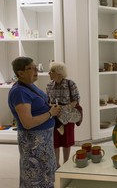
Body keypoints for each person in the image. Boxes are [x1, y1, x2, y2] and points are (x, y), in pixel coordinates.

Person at [8, 56, 61, 188]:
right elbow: (27, 123)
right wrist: (50, 113)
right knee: (35, 175)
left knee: (46, 173)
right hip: (34, 142)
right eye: (31, 68)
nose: (36, 70)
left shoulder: (29, 86)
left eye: (36, 67)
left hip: (43, 140)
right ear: (20, 73)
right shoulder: (19, 92)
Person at [46, 61, 81, 168]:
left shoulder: (70, 84)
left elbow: (76, 100)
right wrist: (52, 108)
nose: (49, 73)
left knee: (67, 140)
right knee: (55, 141)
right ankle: (56, 164)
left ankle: (66, 163)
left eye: (51, 71)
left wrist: (64, 109)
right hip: (54, 116)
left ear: (59, 73)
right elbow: (47, 100)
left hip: (67, 116)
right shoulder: (49, 85)